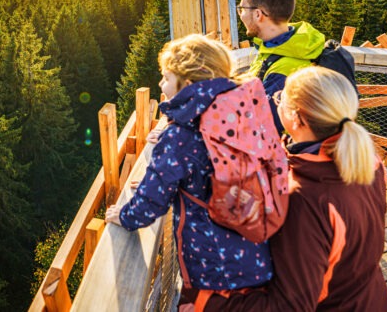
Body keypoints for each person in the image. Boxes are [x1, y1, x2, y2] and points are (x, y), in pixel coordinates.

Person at [105, 34, 274, 308]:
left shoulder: (181, 137)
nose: (161, 84)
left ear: (189, 82)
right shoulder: (240, 113)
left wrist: (124, 216)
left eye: (166, 78)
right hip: (256, 256)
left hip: (214, 270)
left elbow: (152, 201)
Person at [215, 66, 387, 311]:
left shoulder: (303, 199)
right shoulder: (369, 162)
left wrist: (208, 300)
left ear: (296, 118)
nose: (276, 102)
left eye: (281, 98)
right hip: (370, 299)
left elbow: (289, 307)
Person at [237, 0, 326, 131]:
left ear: (258, 14)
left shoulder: (285, 70)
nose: (241, 15)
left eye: (242, 9)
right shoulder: (283, 48)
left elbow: (256, 128)